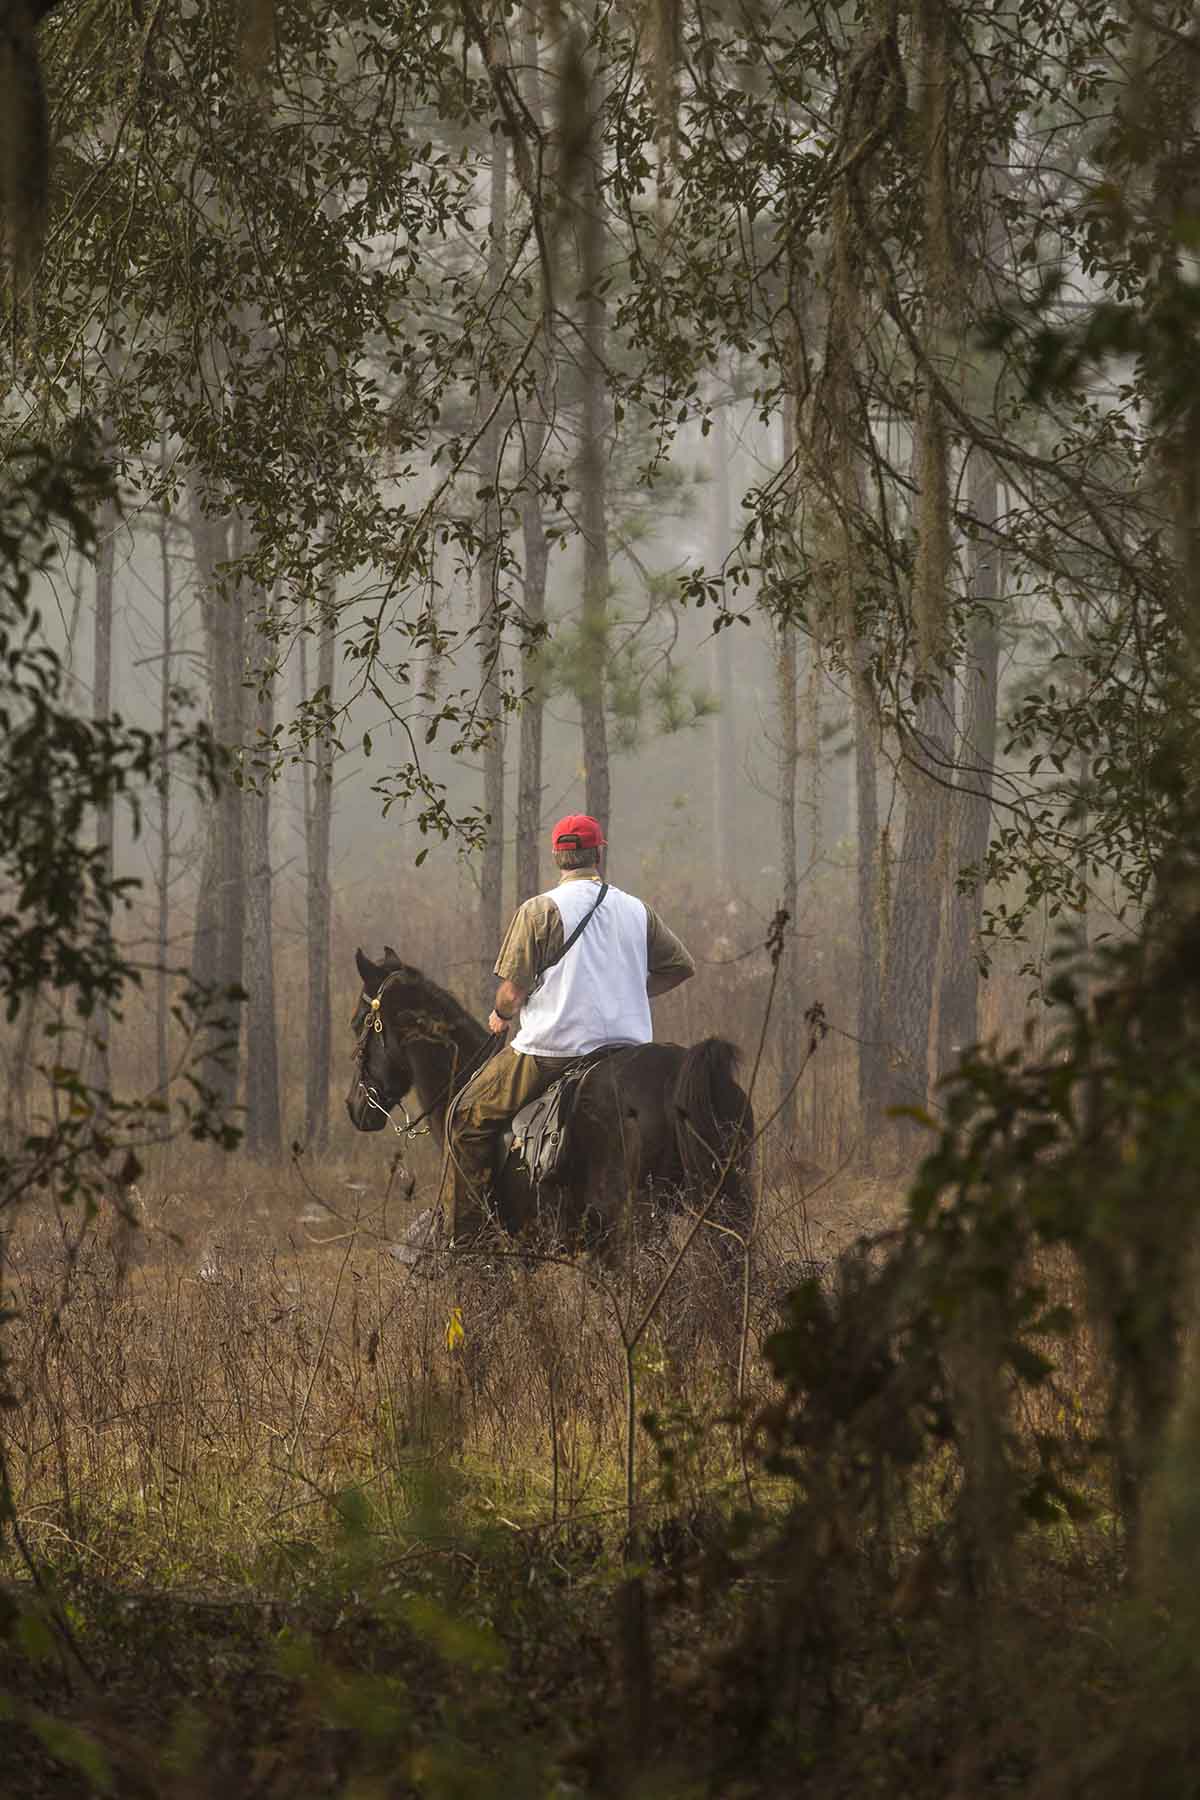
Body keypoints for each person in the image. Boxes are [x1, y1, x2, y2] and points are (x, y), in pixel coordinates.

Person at [439, 813, 695, 1240]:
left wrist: (501, 1014)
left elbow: (512, 992)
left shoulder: (539, 911)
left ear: (557, 856)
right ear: (599, 852)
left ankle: (470, 1244)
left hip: (552, 1051)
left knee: (465, 1117)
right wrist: (625, 993)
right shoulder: (636, 909)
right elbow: (681, 967)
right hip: (627, 1049)